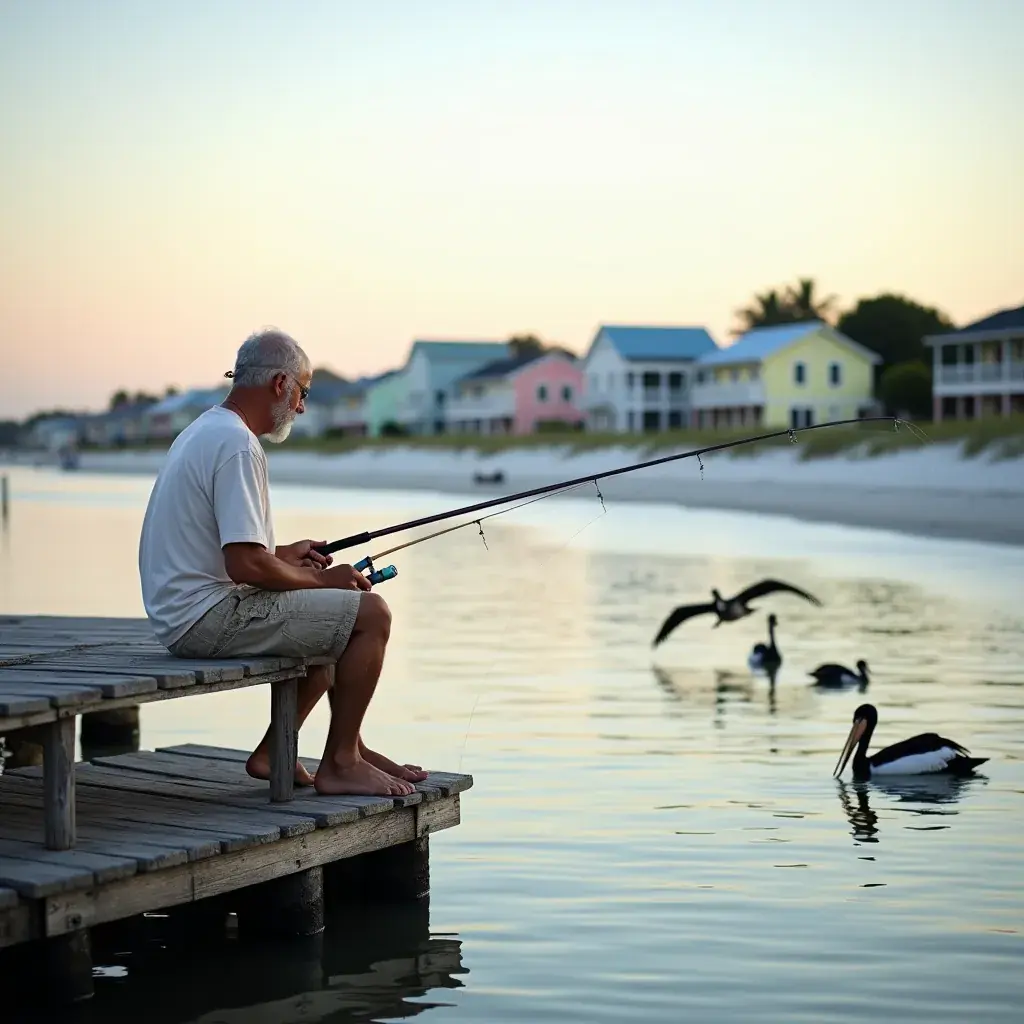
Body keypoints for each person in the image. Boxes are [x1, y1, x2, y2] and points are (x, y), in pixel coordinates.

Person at [138, 328, 425, 797]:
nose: (302, 406)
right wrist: (326, 579)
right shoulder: (237, 445)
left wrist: (287, 559)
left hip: (181, 612)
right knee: (371, 615)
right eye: (302, 392)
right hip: (203, 619)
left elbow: (239, 552)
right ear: (279, 384)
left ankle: (291, 751)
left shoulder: (206, 429)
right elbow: (245, 567)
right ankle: (341, 762)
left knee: (328, 610)